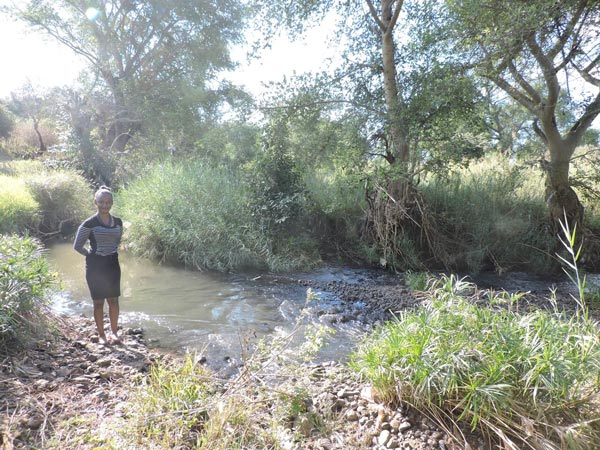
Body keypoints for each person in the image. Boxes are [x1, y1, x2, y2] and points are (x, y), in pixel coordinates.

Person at [73, 186, 124, 345]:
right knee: (98, 302)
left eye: (108, 202)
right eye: (101, 202)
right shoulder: (89, 223)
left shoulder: (118, 222)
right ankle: (102, 335)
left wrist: (109, 251)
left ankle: (114, 333)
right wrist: (90, 255)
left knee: (113, 300)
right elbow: (77, 245)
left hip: (112, 264)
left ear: (112, 203)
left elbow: (116, 241)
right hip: (95, 266)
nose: (105, 205)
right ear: (96, 202)